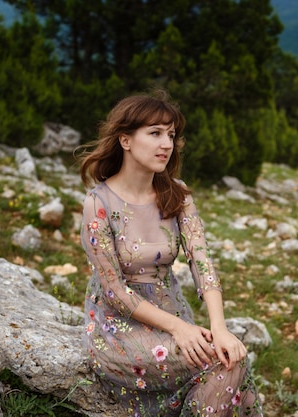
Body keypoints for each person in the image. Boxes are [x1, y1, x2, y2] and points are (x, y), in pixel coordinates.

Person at [78, 90, 263, 417]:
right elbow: (114, 291)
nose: (167, 144)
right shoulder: (99, 203)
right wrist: (180, 330)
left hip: (172, 311)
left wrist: (218, 327)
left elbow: (202, 263)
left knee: (230, 357)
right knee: (220, 363)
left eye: (172, 135)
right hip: (120, 324)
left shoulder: (177, 194)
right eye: (155, 133)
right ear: (125, 140)